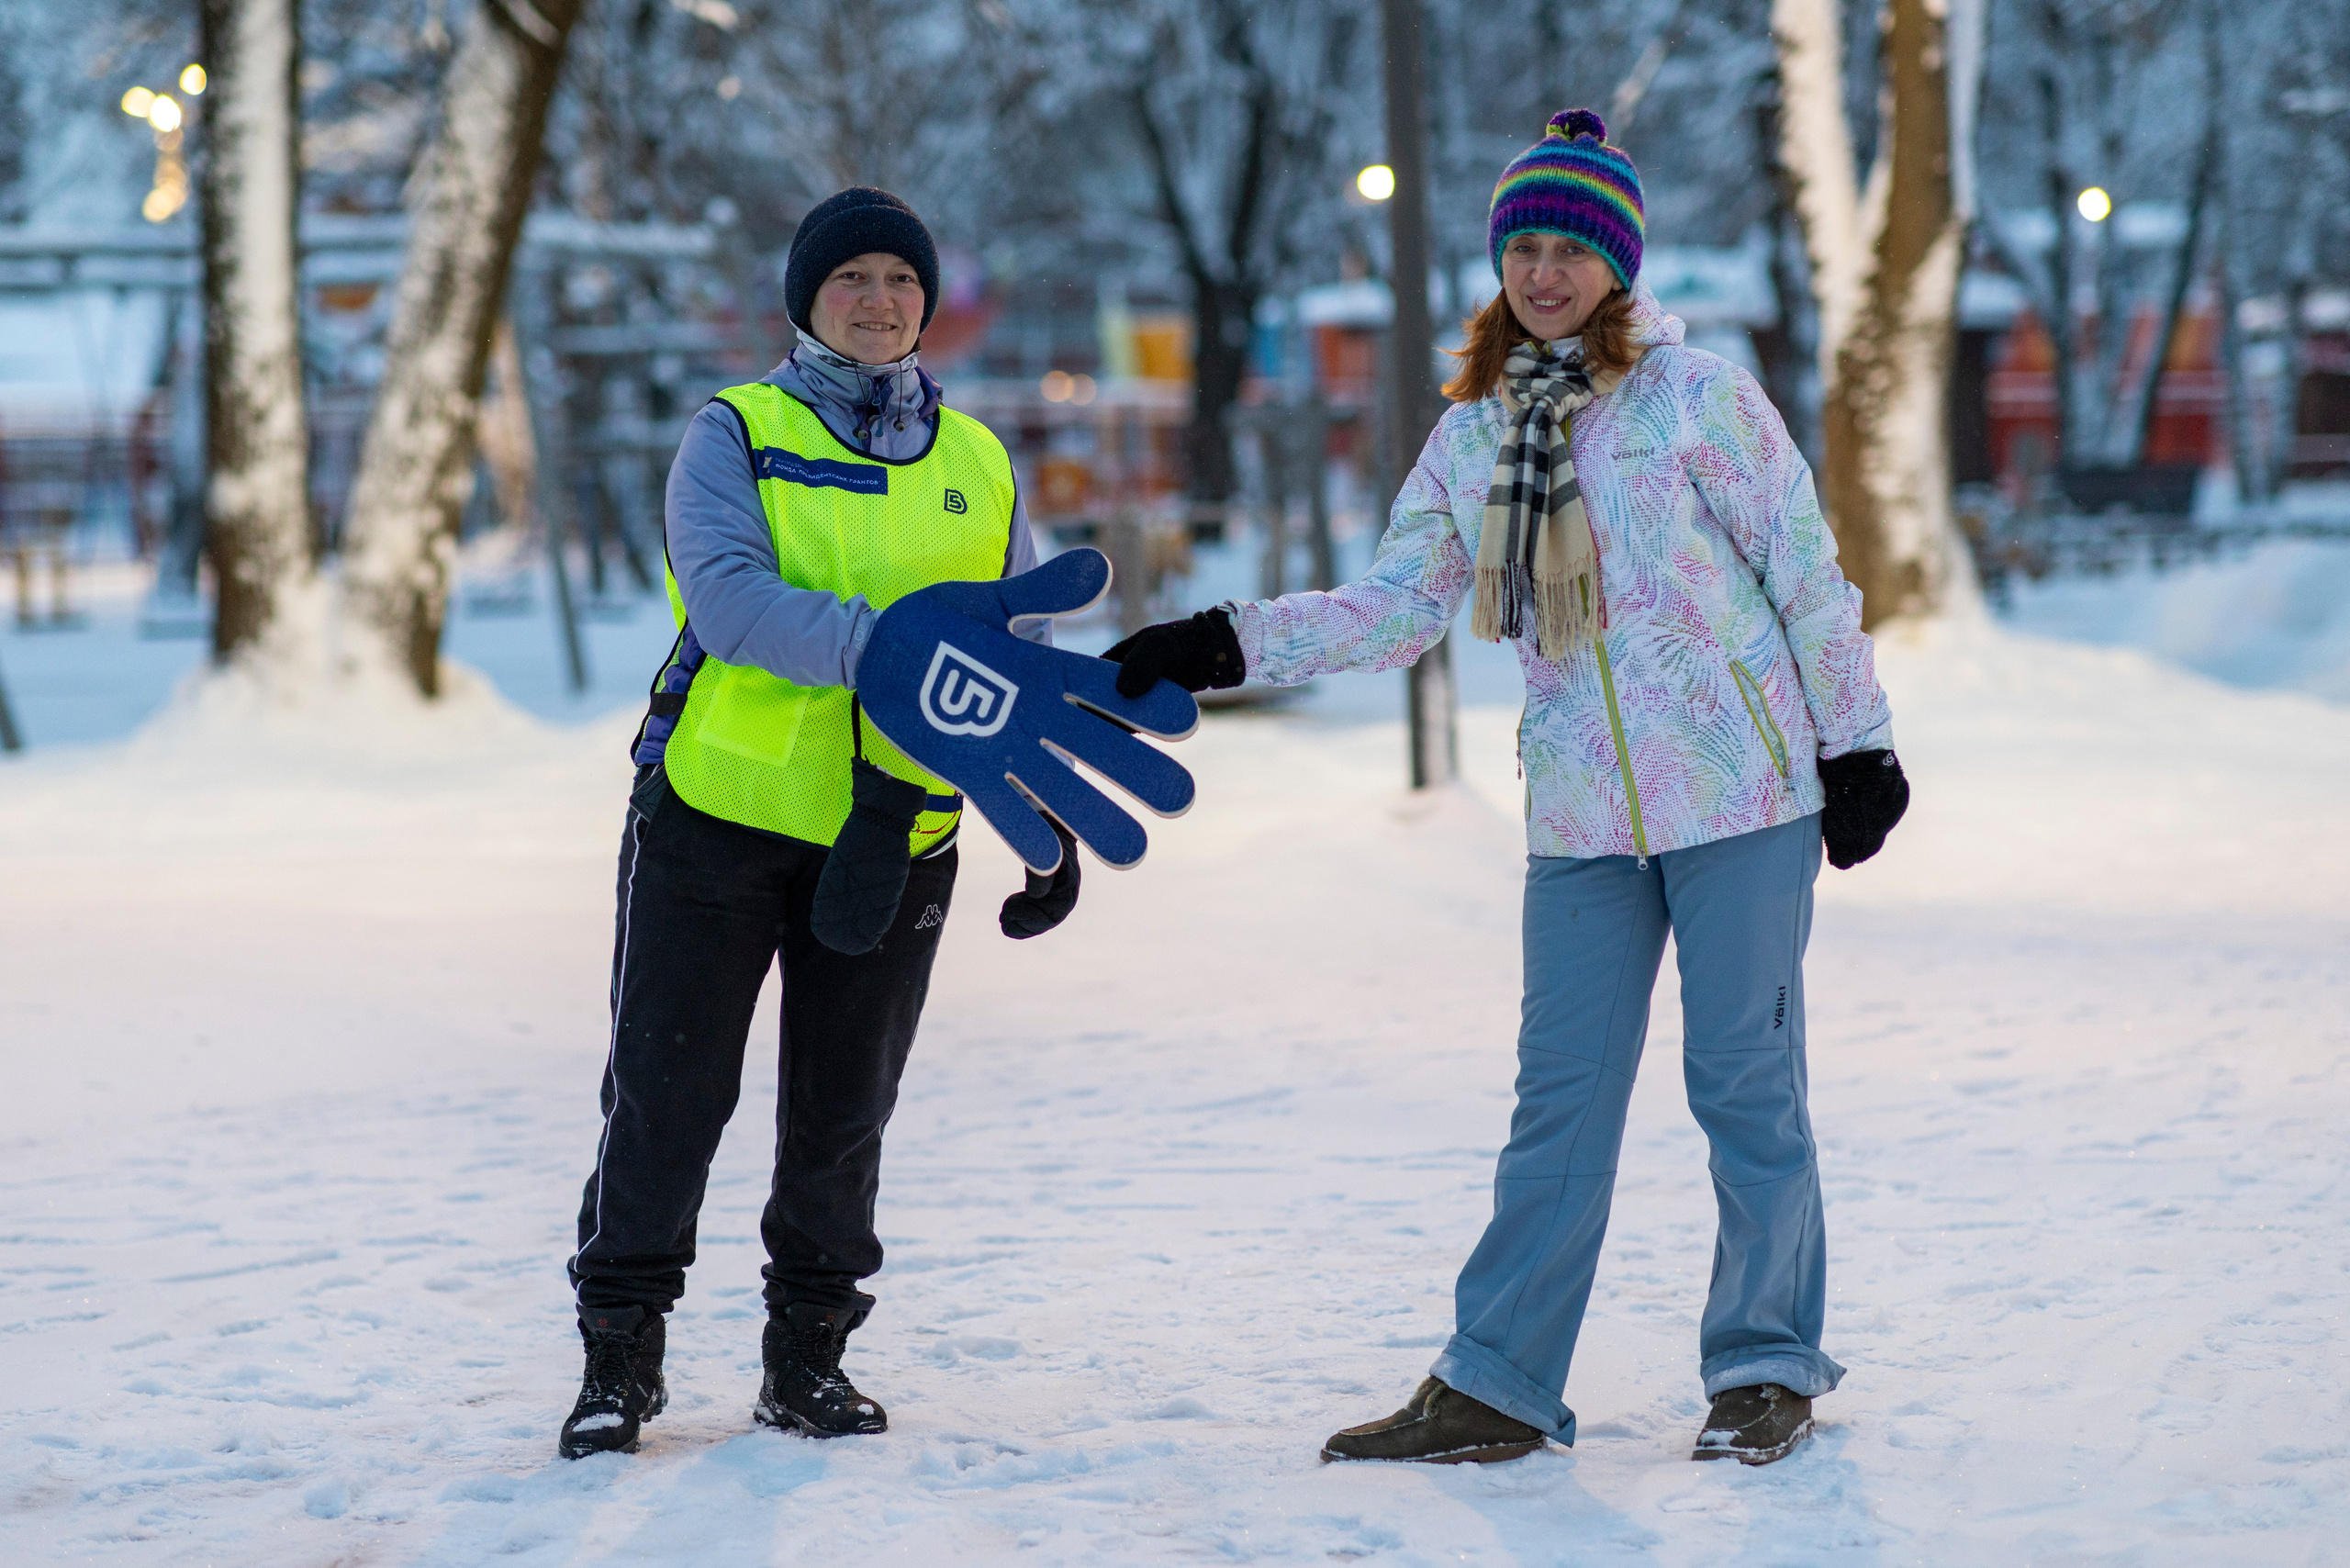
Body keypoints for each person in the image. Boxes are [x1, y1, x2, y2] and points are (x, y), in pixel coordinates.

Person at [1109, 111, 1909, 1467]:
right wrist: (1222, 642)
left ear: (1617, 260)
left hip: (1745, 800)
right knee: (1563, 1099)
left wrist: (1859, 747)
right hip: (1586, 815)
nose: (1543, 272)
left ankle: (1765, 1363)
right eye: (1523, 247)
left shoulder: (1700, 395)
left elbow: (1806, 574)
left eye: (1569, 248)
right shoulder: (1477, 427)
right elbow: (1393, 607)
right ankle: (1497, 1382)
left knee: (1745, 1085)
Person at [558, 187, 1079, 1460]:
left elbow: (1016, 652)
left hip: (900, 831)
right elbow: (733, 605)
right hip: (720, 820)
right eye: (851, 278)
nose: (880, 300)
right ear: (806, 299)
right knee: (669, 1101)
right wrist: (902, 653)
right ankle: (620, 1360)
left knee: (845, 1114)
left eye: (903, 278)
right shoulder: (735, 433)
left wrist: (1043, 811)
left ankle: (809, 1362)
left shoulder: (979, 460)